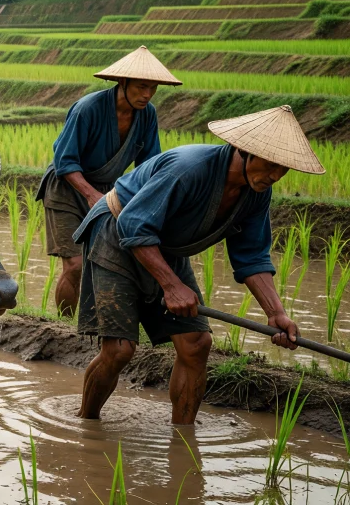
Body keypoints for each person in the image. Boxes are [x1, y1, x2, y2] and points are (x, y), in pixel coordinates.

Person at [75, 105, 324, 424]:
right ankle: (86, 425)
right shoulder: (190, 168)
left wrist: (276, 313)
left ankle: (183, 437)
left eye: (283, 168)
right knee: (120, 349)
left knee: (196, 344)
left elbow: (251, 255)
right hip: (115, 232)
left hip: (162, 247)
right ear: (243, 150)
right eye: (271, 164)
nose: (275, 175)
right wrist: (171, 285)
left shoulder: (256, 192)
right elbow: (133, 226)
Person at [40, 46, 178, 317]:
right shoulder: (88, 109)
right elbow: (65, 162)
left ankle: (96, 324)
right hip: (67, 188)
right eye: (141, 86)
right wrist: (91, 195)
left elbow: (149, 165)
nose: (147, 94)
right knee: (75, 264)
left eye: (153, 88)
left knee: (106, 263)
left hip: (108, 191)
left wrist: (151, 204)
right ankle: (64, 323)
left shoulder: (147, 114)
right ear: (122, 82)